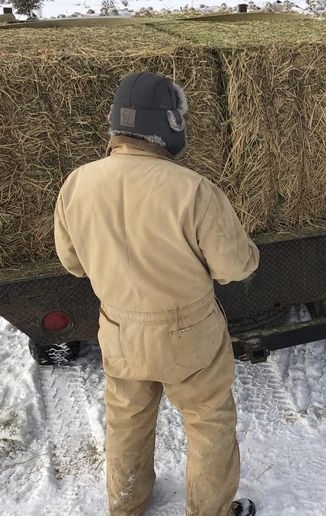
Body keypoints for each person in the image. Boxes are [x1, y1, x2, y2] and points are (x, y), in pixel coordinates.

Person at [54, 71, 259, 516]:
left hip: (120, 326)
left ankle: (127, 505)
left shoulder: (76, 184)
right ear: (169, 124)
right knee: (209, 421)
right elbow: (234, 267)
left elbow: (72, 263)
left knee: (126, 420)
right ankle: (211, 511)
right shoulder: (193, 189)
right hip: (188, 330)